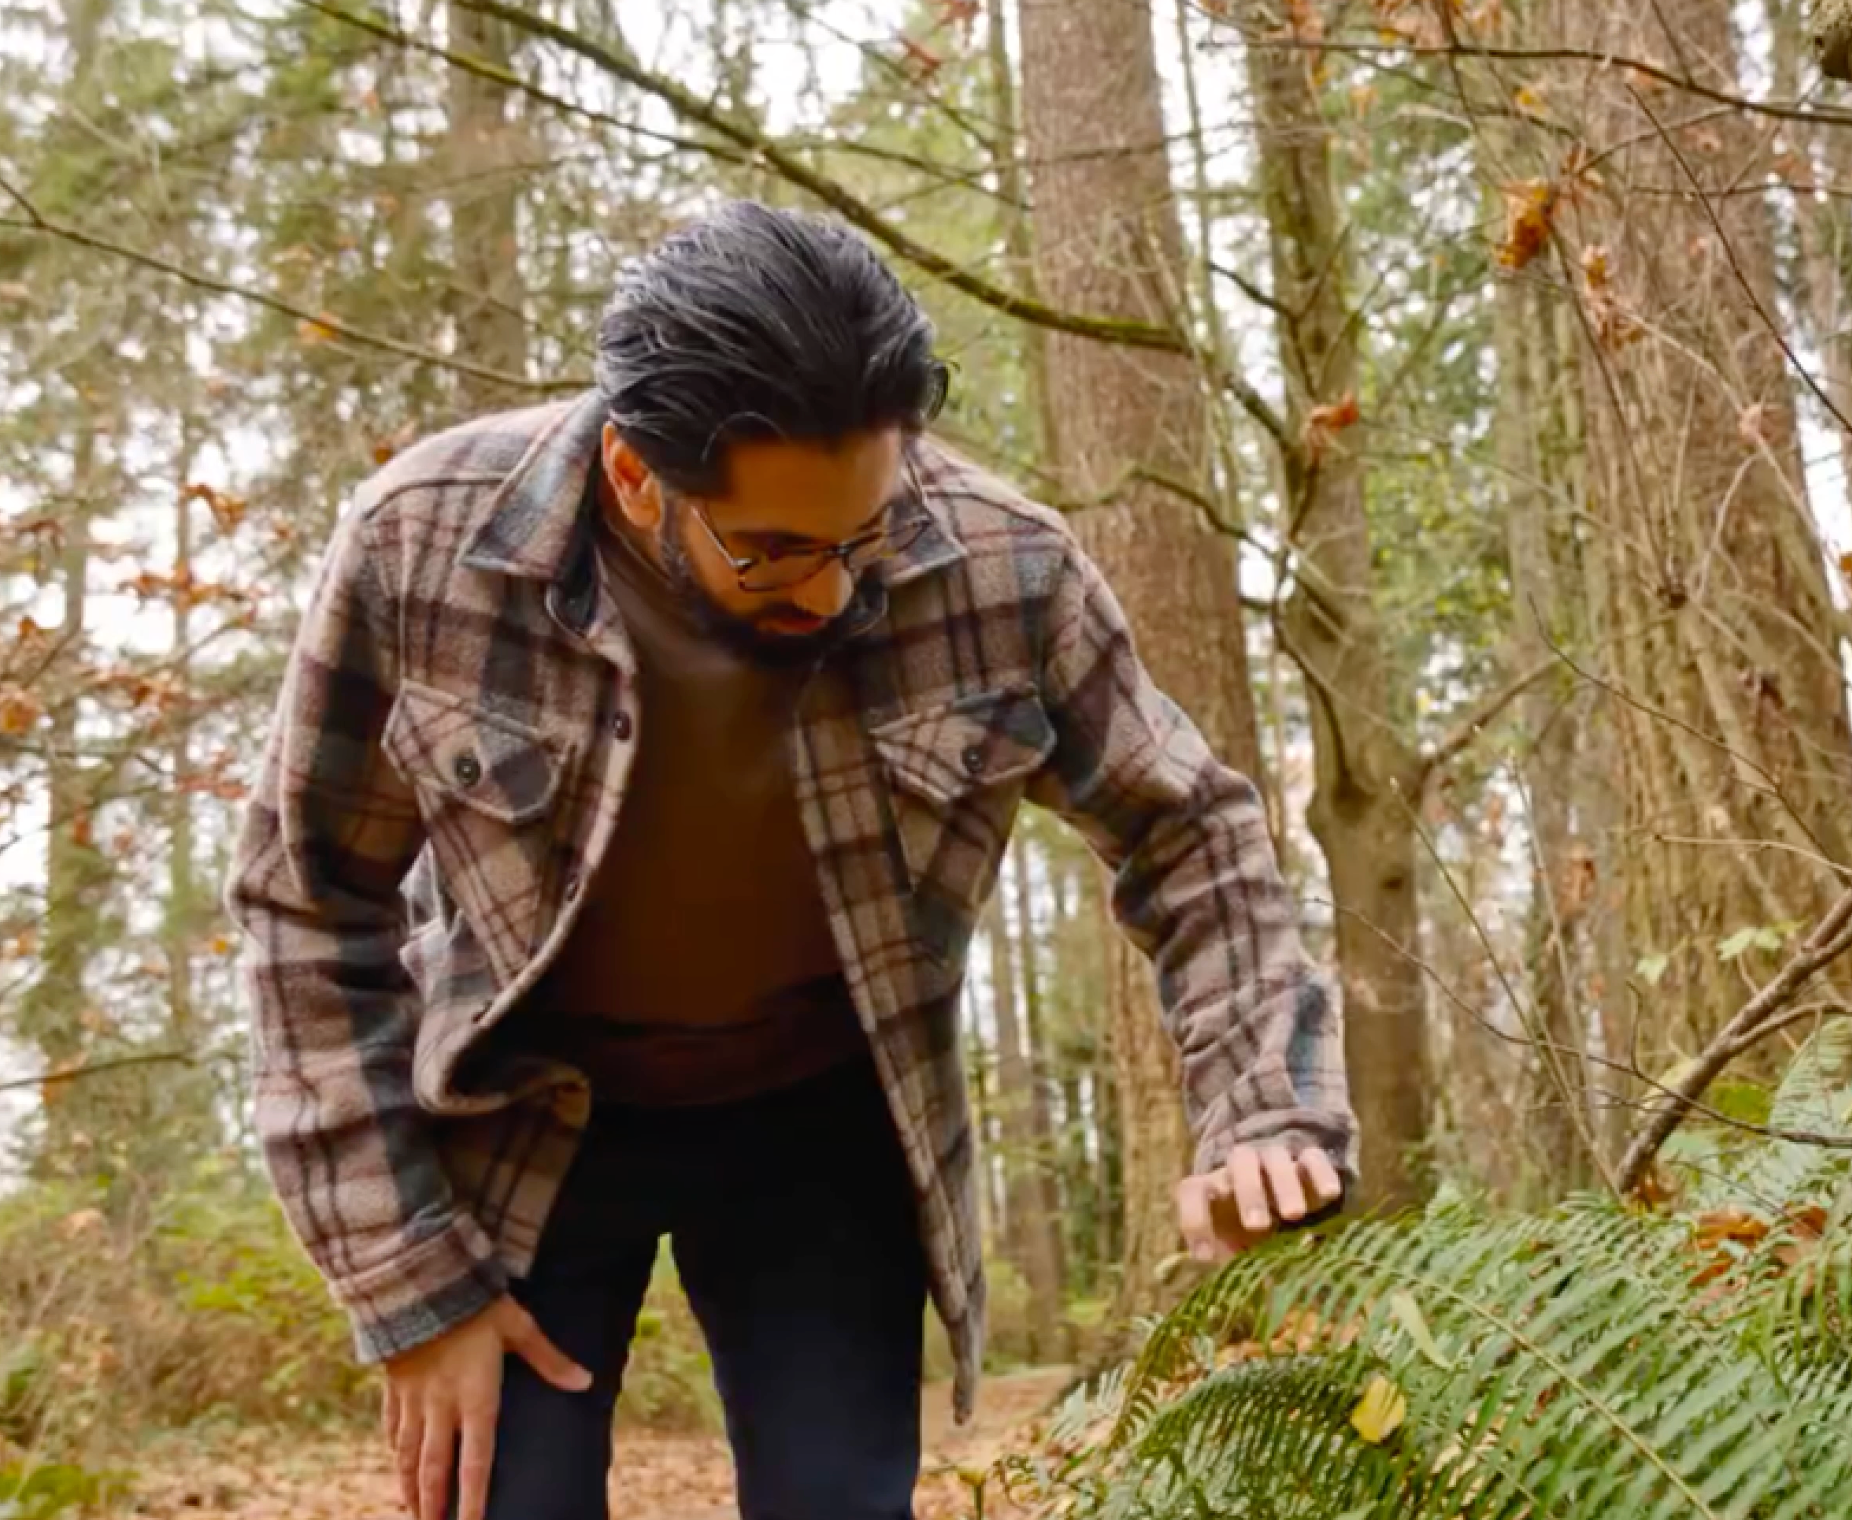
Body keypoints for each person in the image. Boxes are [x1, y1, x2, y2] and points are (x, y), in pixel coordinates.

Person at [225, 200, 1355, 1520]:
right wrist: (406, 1282)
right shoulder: (421, 544)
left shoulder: (1006, 568)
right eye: (771, 550)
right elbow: (308, 897)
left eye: (860, 537)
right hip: (526, 1113)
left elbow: (1192, 833)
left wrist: (1261, 1100)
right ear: (640, 478)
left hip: (817, 1113)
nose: (828, 593)